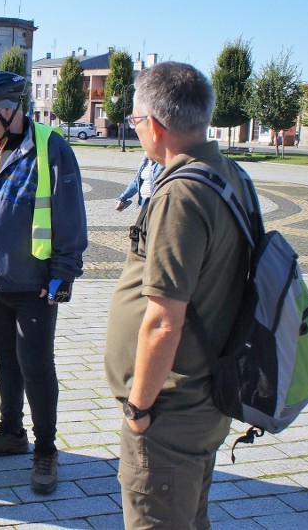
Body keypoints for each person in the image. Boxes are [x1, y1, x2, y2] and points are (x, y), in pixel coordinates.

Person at [104, 62, 251, 528]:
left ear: (156, 125)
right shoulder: (229, 173)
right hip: (204, 393)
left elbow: (164, 319)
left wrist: (139, 409)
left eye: (133, 120)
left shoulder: (181, 192)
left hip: (170, 406)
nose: (135, 129)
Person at [0, 71, 88, 494]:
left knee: (36, 364)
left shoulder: (50, 148)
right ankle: (11, 431)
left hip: (35, 283)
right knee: (5, 360)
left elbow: (68, 212)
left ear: (9, 109)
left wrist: (64, 271)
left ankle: (45, 449)